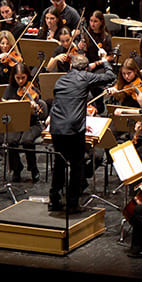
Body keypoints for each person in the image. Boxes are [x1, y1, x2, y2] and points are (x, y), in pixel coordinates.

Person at [48, 54, 115, 212]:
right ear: (85, 68)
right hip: (73, 129)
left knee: (59, 163)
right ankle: (72, 204)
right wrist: (105, 61)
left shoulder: (61, 80)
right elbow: (110, 76)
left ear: (71, 67)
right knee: (77, 165)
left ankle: (54, 200)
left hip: (56, 127)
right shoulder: (85, 76)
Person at [2, 63, 46, 183]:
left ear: (27, 76)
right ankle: (17, 169)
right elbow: (4, 106)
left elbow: (40, 113)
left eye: (23, 77)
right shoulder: (10, 89)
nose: (21, 81)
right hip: (16, 123)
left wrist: (32, 108)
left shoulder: (34, 88)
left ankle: (34, 169)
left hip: (32, 123)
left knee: (26, 140)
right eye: (18, 78)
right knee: (11, 141)